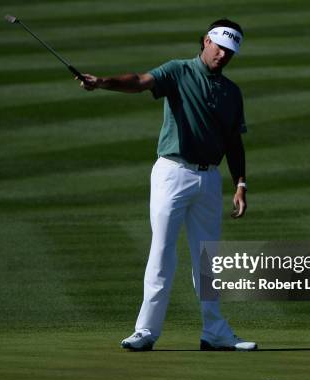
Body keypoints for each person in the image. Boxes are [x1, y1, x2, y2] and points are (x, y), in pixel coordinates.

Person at [77, 18, 257, 351]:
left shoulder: (232, 92)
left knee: (209, 259)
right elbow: (140, 81)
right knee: (162, 252)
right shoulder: (178, 71)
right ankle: (145, 331)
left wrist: (241, 184)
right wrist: (102, 82)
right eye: (218, 46)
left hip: (209, 178)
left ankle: (215, 332)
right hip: (173, 172)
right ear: (205, 41)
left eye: (230, 51)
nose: (222, 55)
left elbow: (234, 142)